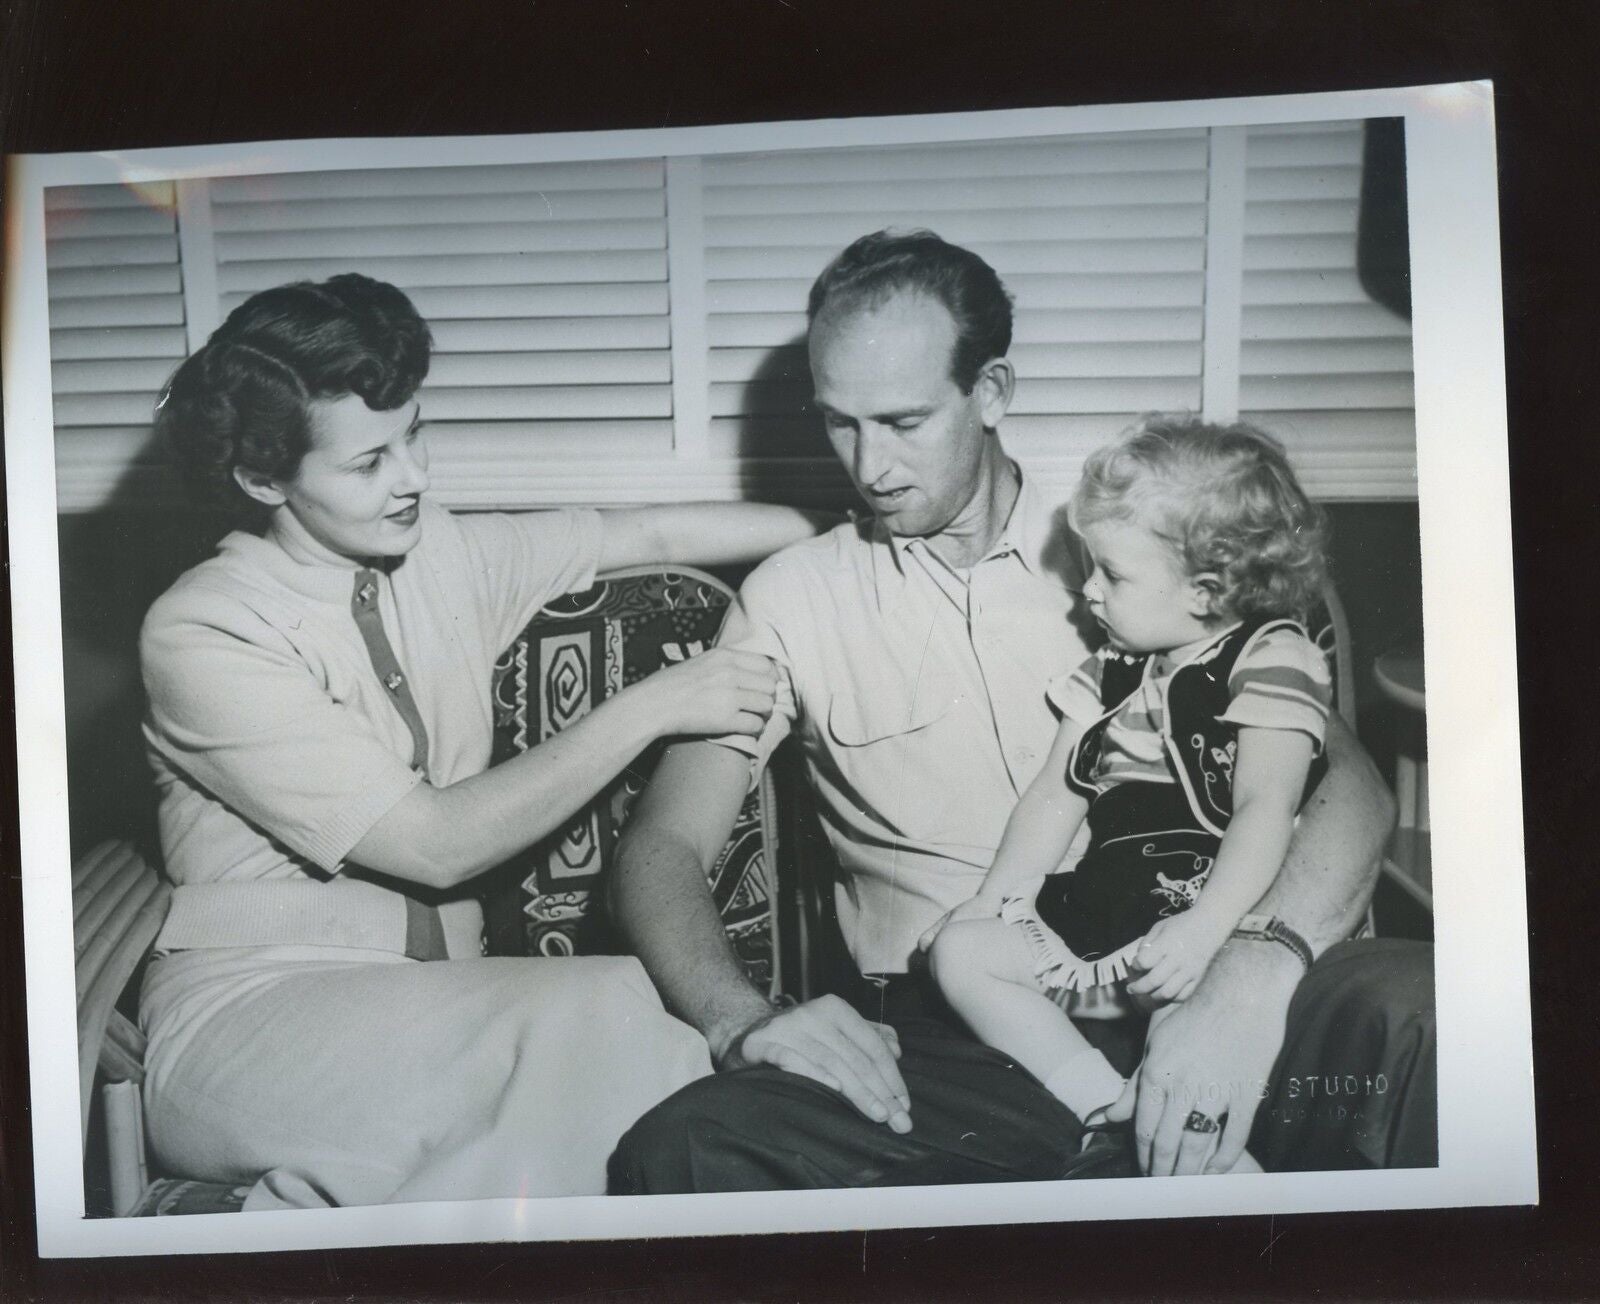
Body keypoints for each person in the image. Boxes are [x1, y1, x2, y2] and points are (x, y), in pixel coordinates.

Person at [608, 229, 1436, 1191]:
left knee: (1424, 1017)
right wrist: (740, 1018)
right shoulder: (793, 600)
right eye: (841, 423)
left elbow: (1354, 792)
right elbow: (662, 846)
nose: (869, 466)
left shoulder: (1133, 545)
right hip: (967, 1035)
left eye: (905, 421)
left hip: (1210, 963)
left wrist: (1257, 970)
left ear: (992, 391)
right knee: (680, 1154)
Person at [137, 273, 829, 1209]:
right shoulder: (204, 630)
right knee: (605, 1020)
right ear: (265, 480)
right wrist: (659, 703)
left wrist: (858, 528)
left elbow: (648, 527)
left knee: (642, 1033)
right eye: (368, 460)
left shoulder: (441, 555)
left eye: (415, 434)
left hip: (438, 1012)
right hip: (251, 1020)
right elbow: (435, 842)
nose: (414, 476)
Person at [922, 418, 1336, 1173]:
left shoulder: (1274, 656)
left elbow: (1265, 808)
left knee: (1198, 1018)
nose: (1089, 591)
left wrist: (1208, 927)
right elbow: (1056, 792)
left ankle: (1198, 1148)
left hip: (1214, 909)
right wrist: (993, 898)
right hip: (1111, 908)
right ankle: (1104, 1105)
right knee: (961, 953)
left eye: (1112, 574)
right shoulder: (1111, 672)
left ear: (1206, 592)